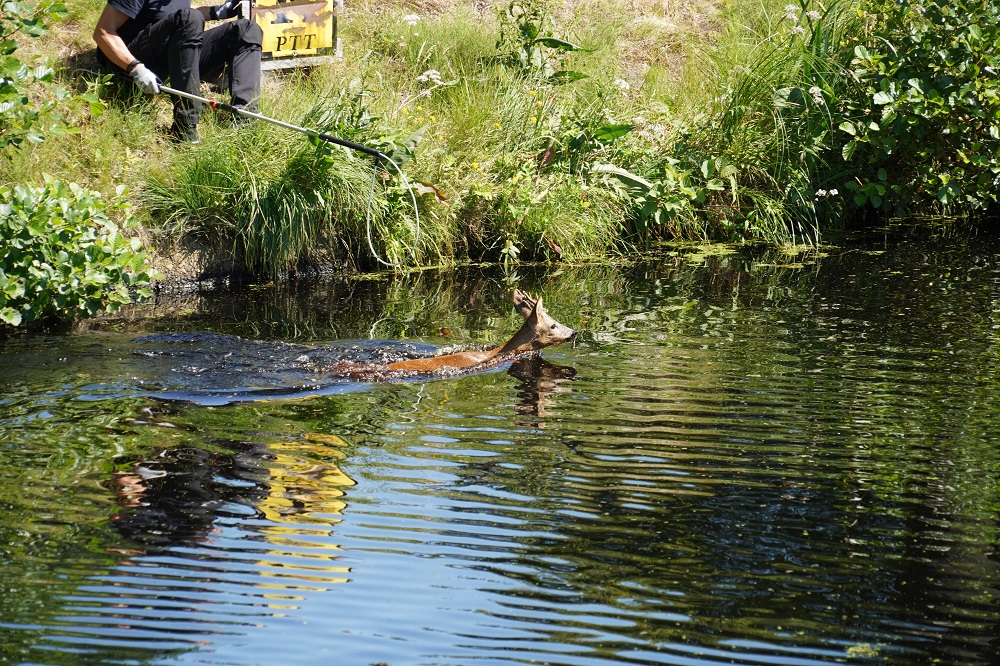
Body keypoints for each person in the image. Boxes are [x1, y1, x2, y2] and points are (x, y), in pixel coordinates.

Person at [93, 0, 263, 144]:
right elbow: (103, 32)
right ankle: (185, 126)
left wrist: (216, 12)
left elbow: (175, 14)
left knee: (247, 30)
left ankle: (245, 118)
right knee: (189, 18)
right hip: (130, 61)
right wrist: (135, 67)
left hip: (172, 55)